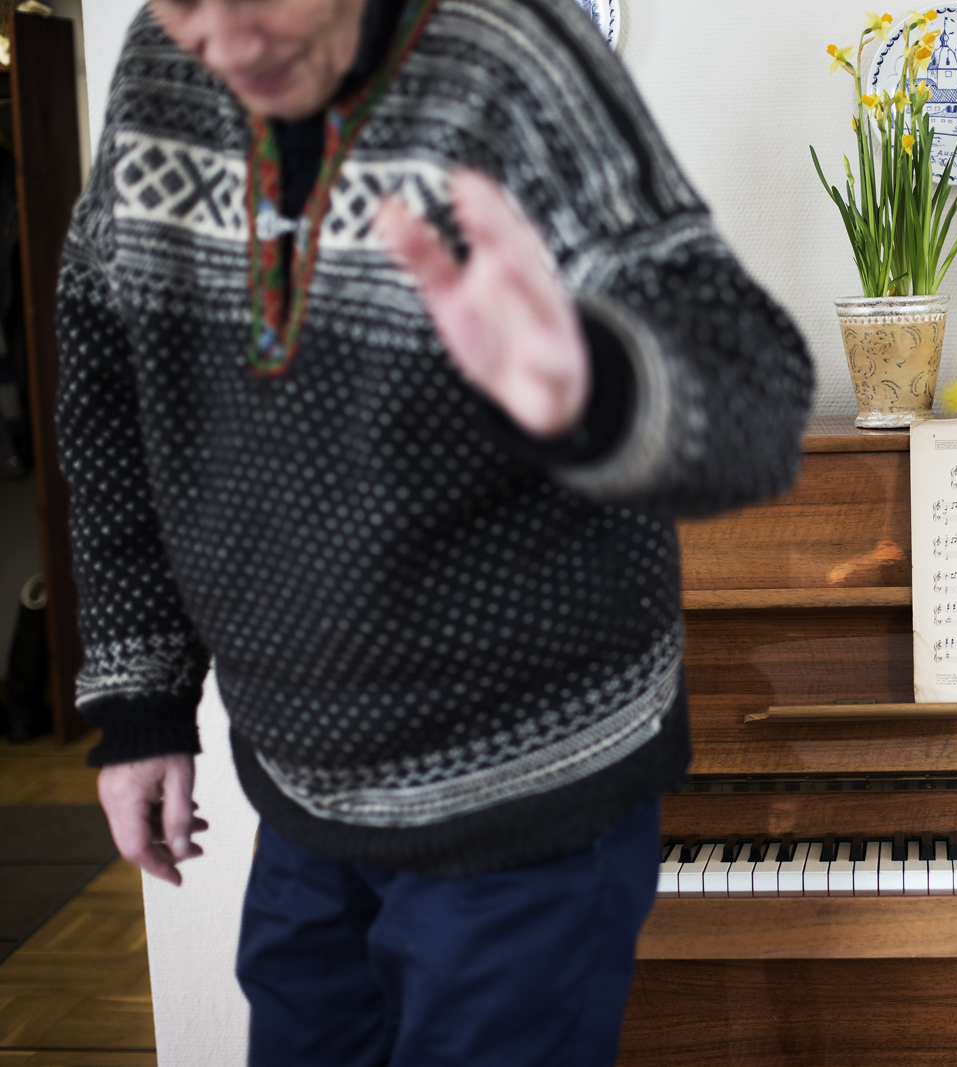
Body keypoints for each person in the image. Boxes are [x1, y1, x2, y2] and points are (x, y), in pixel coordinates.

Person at [55, 0, 812, 1061]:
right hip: (307, 791)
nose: (224, 47)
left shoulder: (513, 58)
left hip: (527, 803)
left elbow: (757, 397)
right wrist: (142, 698)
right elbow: (110, 388)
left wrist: (591, 384)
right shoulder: (159, 67)